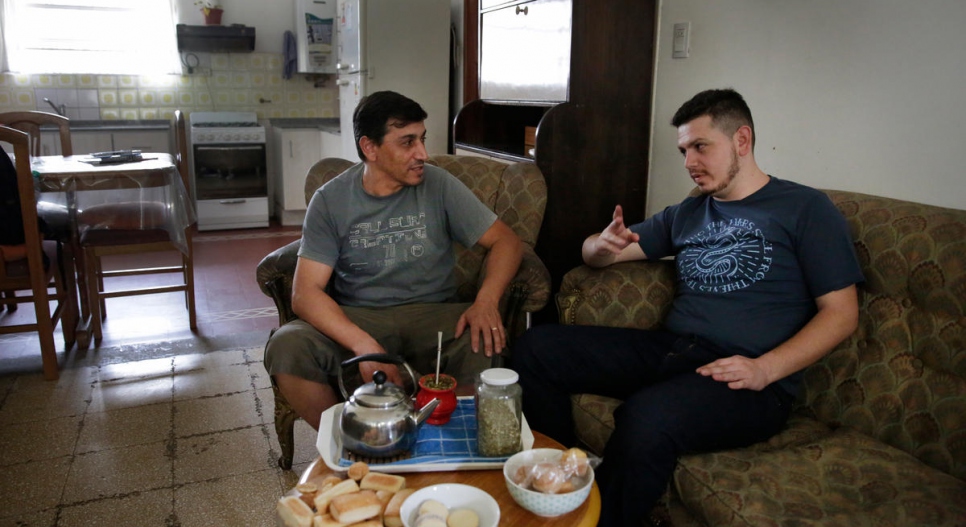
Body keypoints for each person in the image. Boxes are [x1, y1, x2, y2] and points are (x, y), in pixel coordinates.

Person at [511, 88, 863, 526]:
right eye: (683, 150)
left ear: (742, 140)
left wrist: (765, 370)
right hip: (674, 349)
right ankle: (566, 481)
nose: (689, 162)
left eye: (701, 147)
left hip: (749, 380)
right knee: (536, 348)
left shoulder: (804, 208)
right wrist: (601, 245)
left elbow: (842, 313)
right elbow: (596, 254)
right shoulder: (689, 212)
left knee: (645, 419)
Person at [264, 90, 523, 430]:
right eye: (407, 142)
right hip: (360, 317)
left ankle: (443, 445)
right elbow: (305, 292)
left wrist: (486, 300)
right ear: (369, 147)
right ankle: (350, 445)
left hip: (435, 317)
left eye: (422, 139)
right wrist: (364, 345)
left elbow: (507, 241)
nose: (423, 154)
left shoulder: (439, 185)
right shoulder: (331, 200)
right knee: (286, 346)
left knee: (482, 338)